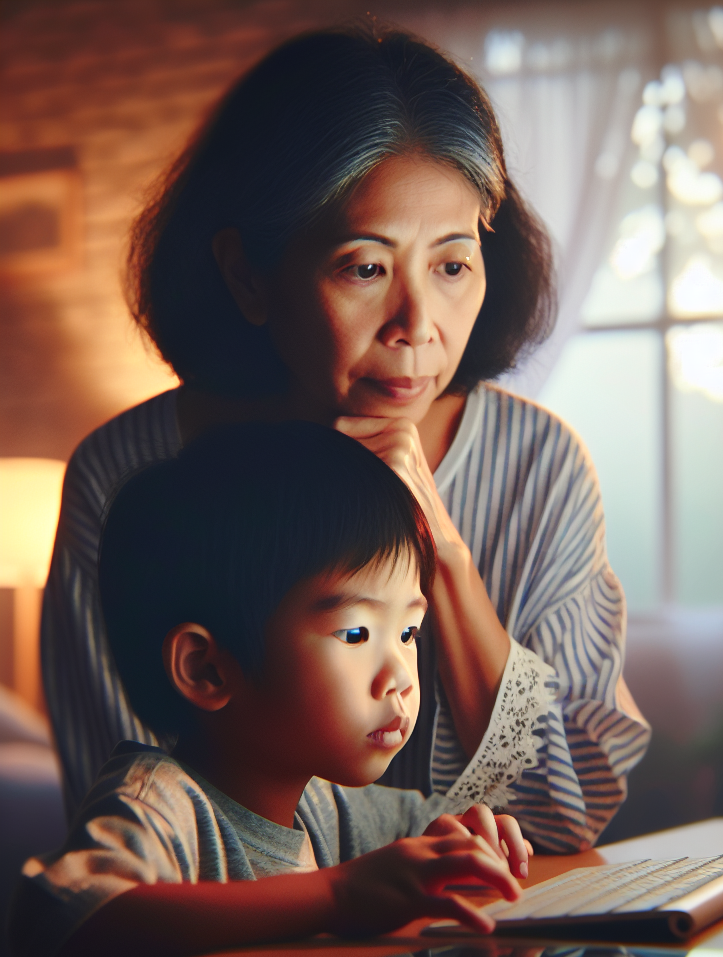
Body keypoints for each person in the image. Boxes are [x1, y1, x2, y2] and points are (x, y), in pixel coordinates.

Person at [42, 23, 650, 852]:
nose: (418, 327)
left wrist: (446, 556)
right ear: (248, 275)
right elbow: (126, 837)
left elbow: (559, 820)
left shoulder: (538, 468)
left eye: (452, 264)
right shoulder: (128, 477)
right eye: (365, 268)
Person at [14, 421, 531, 957]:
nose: (400, 680)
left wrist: (467, 843)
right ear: (208, 669)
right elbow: (62, 926)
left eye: (408, 632)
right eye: (356, 634)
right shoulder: (164, 804)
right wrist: (337, 895)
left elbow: (433, 841)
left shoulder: (330, 809)